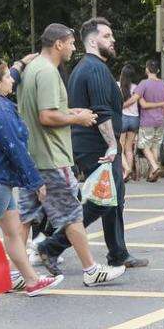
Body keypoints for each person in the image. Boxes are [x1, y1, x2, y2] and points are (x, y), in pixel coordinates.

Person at [18, 23, 126, 286]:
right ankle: (91, 269)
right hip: (51, 157)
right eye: (70, 43)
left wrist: (76, 112)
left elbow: (48, 109)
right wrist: (78, 120)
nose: (73, 48)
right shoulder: (46, 72)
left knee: (25, 218)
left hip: (32, 156)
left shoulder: (32, 69)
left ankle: (20, 273)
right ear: (58, 44)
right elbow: (47, 115)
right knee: (73, 214)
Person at [38, 18, 147, 272]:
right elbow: (101, 112)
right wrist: (112, 147)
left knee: (114, 199)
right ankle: (50, 246)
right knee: (100, 201)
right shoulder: (95, 69)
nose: (113, 40)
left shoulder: (84, 67)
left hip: (90, 144)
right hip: (97, 147)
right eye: (107, 36)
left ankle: (118, 252)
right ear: (93, 40)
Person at [0, 58, 62, 296]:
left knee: (12, 233)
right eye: (7, 76)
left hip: (1, 180)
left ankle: (31, 281)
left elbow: (12, 76)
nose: (12, 80)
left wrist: (19, 64)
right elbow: (14, 147)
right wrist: (35, 180)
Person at [134, 60, 164, 182]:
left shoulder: (143, 83)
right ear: (158, 71)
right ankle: (152, 174)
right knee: (155, 146)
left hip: (147, 120)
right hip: (161, 120)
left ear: (147, 69)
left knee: (144, 146)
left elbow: (137, 99)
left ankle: (155, 167)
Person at [118, 64, 140, 180]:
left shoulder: (118, 86)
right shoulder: (136, 88)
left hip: (122, 118)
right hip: (134, 119)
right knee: (129, 148)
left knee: (120, 147)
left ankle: (125, 170)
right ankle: (128, 173)